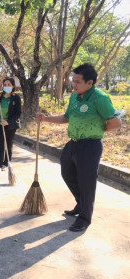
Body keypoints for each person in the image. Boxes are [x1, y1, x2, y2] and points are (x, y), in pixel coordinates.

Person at [37, 63, 121, 232]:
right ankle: (81, 204)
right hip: (73, 143)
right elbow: (66, 117)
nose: (73, 85)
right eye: (73, 81)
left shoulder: (100, 99)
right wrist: (47, 118)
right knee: (67, 173)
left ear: (90, 83)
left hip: (90, 146)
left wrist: (98, 130)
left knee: (86, 182)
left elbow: (116, 122)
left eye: (77, 82)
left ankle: (85, 218)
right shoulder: (75, 97)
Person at [0, 77, 21, 175]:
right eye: (5, 85)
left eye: (9, 85)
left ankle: (6, 163)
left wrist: (8, 121)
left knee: (8, 145)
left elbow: (18, 113)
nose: (6, 87)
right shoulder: (0, 96)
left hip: (10, 125)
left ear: (12, 86)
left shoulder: (16, 97)